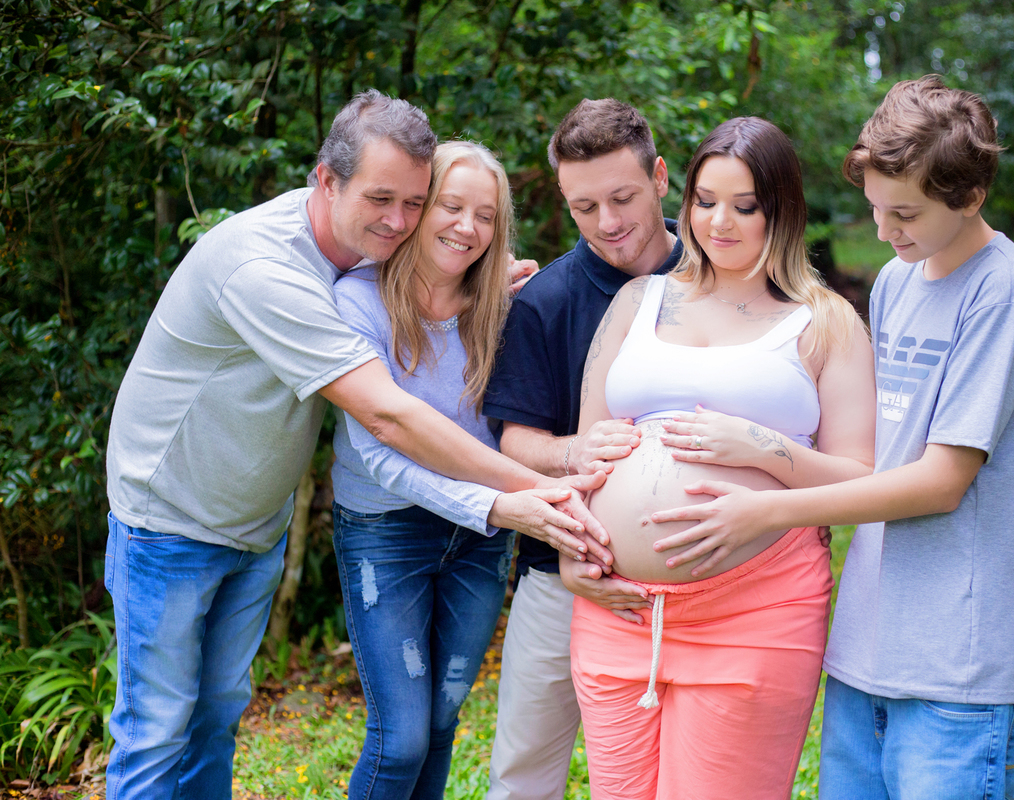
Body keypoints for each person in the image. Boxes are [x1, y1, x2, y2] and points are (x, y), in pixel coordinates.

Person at [103, 92, 606, 800]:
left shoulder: (364, 259)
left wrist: (492, 286)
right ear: (326, 179)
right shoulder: (270, 270)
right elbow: (387, 420)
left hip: (255, 523)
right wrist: (519, 492)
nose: (399, 221)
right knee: (157, 729)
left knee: (216, 718)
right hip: (170, 519)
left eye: (412, 200)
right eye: (382, 198)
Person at [650, 77, 1014, 799]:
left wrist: (766, 510)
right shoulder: (899, 281)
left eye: (904, 213)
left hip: (956, 667)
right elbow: (873, 464)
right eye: (876, 208)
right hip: (866, 648)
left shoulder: (1007, 294)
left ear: (969, 197)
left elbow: (940, 481)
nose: (883, 231)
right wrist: (761, 447)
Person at [563, 116, 877, 800]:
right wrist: (571, 552)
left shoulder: (825, 322)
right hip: (617, 613)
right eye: (705, 201)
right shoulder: (636, 301)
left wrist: (762, 450)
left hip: (755, 610)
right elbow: (586, 457)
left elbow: (861, 480)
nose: (720, 223)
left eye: (746, 207)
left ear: (783, 212)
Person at [330, 141, 581, 799]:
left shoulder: (501, 309)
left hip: (478, 540)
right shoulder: (359, 304)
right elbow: (378, 455)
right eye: (451, 206)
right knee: (403, 734)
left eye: (486, 216)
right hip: (387, 532)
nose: (467, 228)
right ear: (417, 208)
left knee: (441, 721)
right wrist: (500, 506)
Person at [481, 98, 683, 800]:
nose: (608, 223)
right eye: (584, 206)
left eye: (623, 197)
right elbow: (515, 440)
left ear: (661, 178)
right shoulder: (546, 303)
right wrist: (573, 451)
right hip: (558, 579)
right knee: (524, 774)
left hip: (696, 581)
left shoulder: (724, 272)